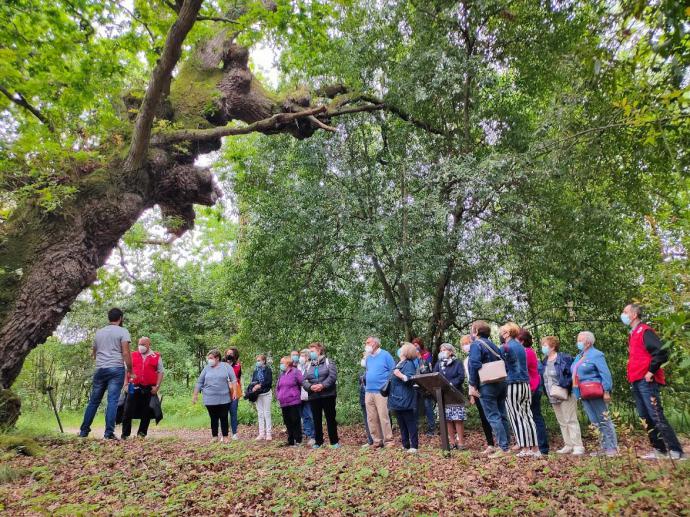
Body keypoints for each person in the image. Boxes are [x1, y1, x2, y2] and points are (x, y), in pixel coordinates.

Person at [621, 304, 685, 460]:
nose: (622, 315)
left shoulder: (645, 331)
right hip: (636, 380)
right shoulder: (633, 333)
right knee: (644, 416)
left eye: (625, 312)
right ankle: (659, 449)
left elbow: (662, 352)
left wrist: (650, 372)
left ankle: (676, 450)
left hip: (646, 380)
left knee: (655, 414)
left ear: (634, 314)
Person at [79, 308, 133, 440]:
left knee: (93, 401)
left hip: (100, 369)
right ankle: (108, 433)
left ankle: (83, 431)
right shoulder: (123, 331)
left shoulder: (99, 332)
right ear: (120, 318)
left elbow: (94, 353)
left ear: (109, 318)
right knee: (112, 401)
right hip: (116, 369)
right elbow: (126, 352)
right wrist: (130, 369)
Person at [468, 320, 511, 458]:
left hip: (487, 384)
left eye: (471, 330)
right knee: (502, 414)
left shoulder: (476, 344)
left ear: (475, 331)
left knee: (493, 416)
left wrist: (473, 384)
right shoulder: (494, 345)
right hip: (501, 382)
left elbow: (474, 363)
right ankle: (507, 446)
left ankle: (503, 448)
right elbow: (505, 363)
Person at [572, 331, 618, 457]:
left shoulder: (597, 355)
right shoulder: (579, 356)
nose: (578, 342)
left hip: (596, 391)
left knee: (603, 419)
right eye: (578, 340)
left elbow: (605, 373)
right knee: (594, 421)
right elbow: (574, 372)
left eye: (581, 340)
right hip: (584, 392)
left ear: (589, 342)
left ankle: (612, 447)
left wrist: (607, 390)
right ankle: (603, 447)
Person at [499, 322, 539, 457]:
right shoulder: (521, 347)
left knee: (516, 416)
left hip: (512, 384)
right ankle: (535, 449)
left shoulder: (506, 347)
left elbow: (503, 366)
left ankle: (525, 448)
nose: (501, 335)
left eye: (503, 332)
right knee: (527, 415)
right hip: (525, 384)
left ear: (508, 333)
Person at [540, 336, 584, 455]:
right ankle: (568, 444)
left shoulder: (564, 358)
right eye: (542, 345)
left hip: (565, 393)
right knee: (562, 421)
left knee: (570, 419)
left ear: (553, 346)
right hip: (552, 396)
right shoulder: (544, 361)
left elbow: (572, 374)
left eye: (545, 345)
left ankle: (578, 446)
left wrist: (565, 385)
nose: (543, 347)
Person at [121, 336, 164, 440]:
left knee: (146, 411)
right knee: (127, 410)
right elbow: (125, 370)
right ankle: (125, 434)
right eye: (139, 344)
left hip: (148, 388)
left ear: (149, 344)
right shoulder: (132, 355)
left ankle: (142, 434)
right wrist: (125, 384)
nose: (141, 346)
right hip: (132, 386)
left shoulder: (156, 356)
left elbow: (161, 372)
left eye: (143, 344)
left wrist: (157, 387)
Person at [193, 349, 237, 442]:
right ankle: (214, 436)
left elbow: (233, 379)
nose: (209, 360)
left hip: (224, 397)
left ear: (217, 358)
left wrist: (235, 392)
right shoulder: (206, 368)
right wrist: (195, 395)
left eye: (211, 358)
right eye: (208, 358)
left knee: (224, 416)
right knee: (213, 417)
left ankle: (225, 437)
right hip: (209, 398)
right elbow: (199, 382)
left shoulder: (226, 366)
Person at [517, 329, 549, 455]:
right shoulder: (529, 352)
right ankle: (533, 446)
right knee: (532, 417)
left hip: (532, 388)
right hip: (532, 387)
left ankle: (541, 447)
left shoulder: (527, 352)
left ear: (522, 341)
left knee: (535, 417)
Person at [302, 342, 339, 448]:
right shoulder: (308, 365)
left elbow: (332, 377)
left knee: (330, 418)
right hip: (314, 396)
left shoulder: (328, 362)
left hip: (328, 395)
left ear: (319, 351)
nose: (311, 353)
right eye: (310, 352)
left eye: (312, 351)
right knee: (316, 419)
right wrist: (310, 387)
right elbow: (303, 380)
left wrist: (322, 385)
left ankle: (334, 442)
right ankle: (318, 442)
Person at [461, 335, 494, 452]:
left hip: (487, 386)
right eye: (463, 344)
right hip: (476, 390)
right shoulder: (466, 361)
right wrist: (472, 394)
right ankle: (490, 443)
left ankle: (502, 443)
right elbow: (470, 377)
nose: (465, 346)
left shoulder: (481, 354)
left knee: (494, 415)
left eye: (467, 343)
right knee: (483, 417)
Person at [363, 336, 396, 449]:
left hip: (381, 391)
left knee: (383, 416)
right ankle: (377, 441)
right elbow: (367, 371)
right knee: (371, 417)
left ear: (376, 343)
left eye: (368, 342)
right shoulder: (368, 358)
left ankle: (389, 441)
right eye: (365, 343)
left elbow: (393, 370)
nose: (366, 344)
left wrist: (387, 384)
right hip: (368, 390)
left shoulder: (385, 355)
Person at [433, 343, 466, 449]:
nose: (442, 351)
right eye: (441, 349)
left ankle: (461, 442)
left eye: (445, 349)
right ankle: (452, 442)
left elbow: (461, 377)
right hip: (443, 395)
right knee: (447, 419)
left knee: (457, 419)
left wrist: (450, 384)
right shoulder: (439, 364)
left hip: (455, 394)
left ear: (451, 352)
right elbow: (434, 375)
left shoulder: (457, 362)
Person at [388, 343, 419, 452]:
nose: (400, 350)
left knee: (410, 422)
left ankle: (414, 446)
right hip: (396, 397)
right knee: (401, 423)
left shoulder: (409, 364)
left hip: (405, 396)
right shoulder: (399, 363)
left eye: (402, 348)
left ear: (406, 351)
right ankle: (405, 445)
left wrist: (399, 374)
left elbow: (409, 379)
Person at [275, 356, 304, 446]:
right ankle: (290, 440)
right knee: (287, 421)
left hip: (293, 400)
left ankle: (298, 440)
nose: (281, 365)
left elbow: (302, 383)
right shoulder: (282, 374)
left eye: (282, 363)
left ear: (287, 363)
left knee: (295, 420)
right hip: (284, 402)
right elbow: (278, 387)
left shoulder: (295, 372)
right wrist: (278, 396)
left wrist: (295, 393)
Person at [413, 337, 436, 436]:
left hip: (426, 385)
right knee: (415, 407)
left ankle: (432, 428)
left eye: (416, 345)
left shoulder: (427, 354)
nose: (415, 347)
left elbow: (427, 368)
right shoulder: (411, 356)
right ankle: (416, 427)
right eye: (413, 345)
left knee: (428, 407)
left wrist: (419, 357)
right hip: (415, 386)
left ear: (420, 344)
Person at [250, 354, 273, 441]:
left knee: (266, 413)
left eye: (259, 360)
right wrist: (254, 386)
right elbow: (253, 381)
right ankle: (261, 433)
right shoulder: (255, 371)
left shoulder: (268, 370)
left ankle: (268, 433)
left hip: (266, 393)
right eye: (257, 361)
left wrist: (260, 385)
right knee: (260, 414)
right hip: (258, 394)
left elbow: (269, 382)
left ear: (263, 361)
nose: (257, 362)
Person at [297, 349, 316, 446]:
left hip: (309, 394)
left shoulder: (312, 365)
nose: (301, 357)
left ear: (308, 357)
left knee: (311, 416)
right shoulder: (298, 367)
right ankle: (308, 435)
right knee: (305, 417)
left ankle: (314, 436)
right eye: (301, 355)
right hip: (299, 396)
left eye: (304, 355)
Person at [225, 347, 242, 440]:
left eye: (231, 353)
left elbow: (239, 378)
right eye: (228, 353)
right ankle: (224, 433)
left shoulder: (238, 366)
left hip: (235, 390)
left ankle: (234, 433)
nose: (229, 355)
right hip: (223, 391)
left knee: (233, 412)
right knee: (223, 413)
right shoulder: (222, 365)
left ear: (234, 355)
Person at [359, 352, 374, 447]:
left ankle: (379, 439)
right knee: (367, 419)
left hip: (374, 396)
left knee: (374, 418)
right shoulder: (362, 372)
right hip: (363, 397)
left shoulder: (375, 369)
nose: (364, 359)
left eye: (365, 357)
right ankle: (370, 439)